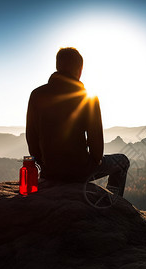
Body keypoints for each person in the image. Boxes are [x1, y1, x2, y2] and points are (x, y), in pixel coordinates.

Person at [26, 47, 129, 196]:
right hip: (79, 171)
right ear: (80, 70)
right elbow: (96, 146)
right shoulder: (88, 97)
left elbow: (31, 137)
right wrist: (94, 161)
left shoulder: (37, 95)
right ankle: (114, 204)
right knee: (123, 161)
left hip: (49, 172)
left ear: (57, 66)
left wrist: (44, 166)